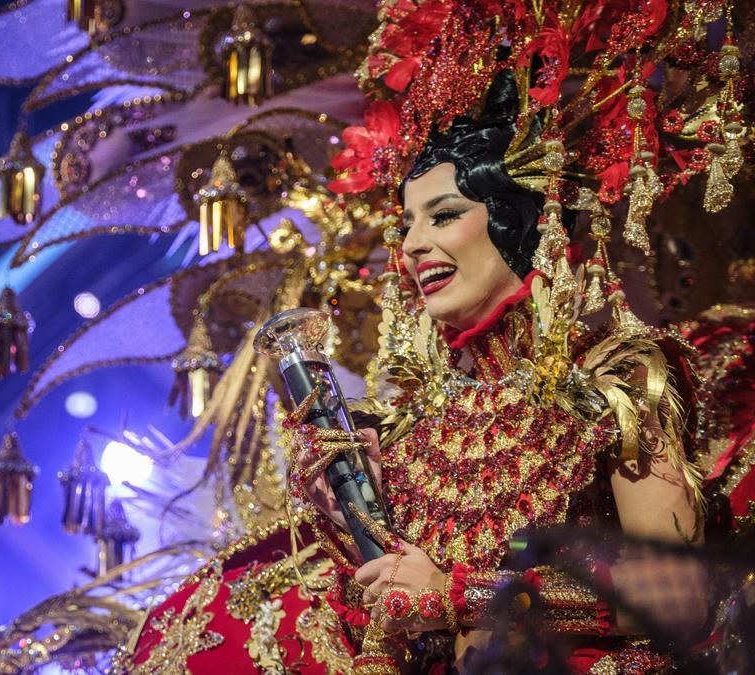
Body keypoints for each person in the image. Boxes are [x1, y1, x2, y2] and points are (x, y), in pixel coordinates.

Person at [289, 72, 710, 672]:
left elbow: (677, 599)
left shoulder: (615, 380)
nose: (411, 244)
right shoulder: (408, 424)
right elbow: (394, 619)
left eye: (443, 215)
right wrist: (350, 522)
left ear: (515, 221)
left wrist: (465, 596)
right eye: (406, 223)